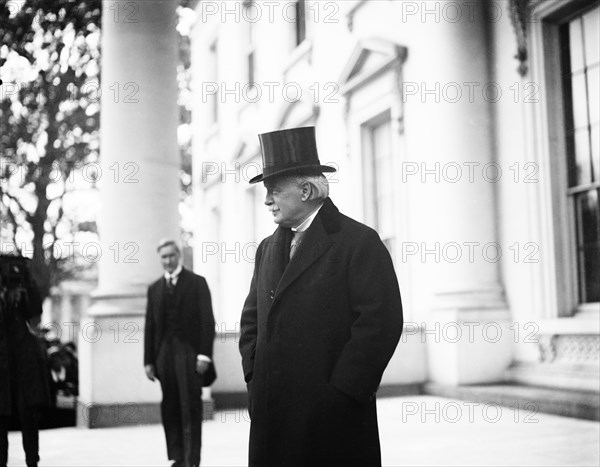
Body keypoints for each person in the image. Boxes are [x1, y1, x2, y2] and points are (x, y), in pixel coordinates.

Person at [239, 126, 404, 467]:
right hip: (273, 418)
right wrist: (255, 379)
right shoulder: (267, 248)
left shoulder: (358, 243)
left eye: (274, 190)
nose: (267, 200)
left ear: (306, 189)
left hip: (333, 422)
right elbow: (251, 321)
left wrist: (341, 394)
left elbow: (380, 324)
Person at [144, 240, 216, 467]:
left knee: (191, 406)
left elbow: (207, 321)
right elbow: (150, 326)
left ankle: (192, 459)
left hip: (189, 352)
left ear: (179, 256)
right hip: (164, 354)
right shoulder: (154, 288)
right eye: (163, 257)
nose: (168, 261)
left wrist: (204, 355)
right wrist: (148, 360)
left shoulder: (197, 283)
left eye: (171, 256)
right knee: (171, 405)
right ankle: (176, 456)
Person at [0, 256, 50, 467]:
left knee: (28, 412)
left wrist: (26, 287)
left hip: (22, 354)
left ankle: (32, 461)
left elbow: (36, 311)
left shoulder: (21, 273)